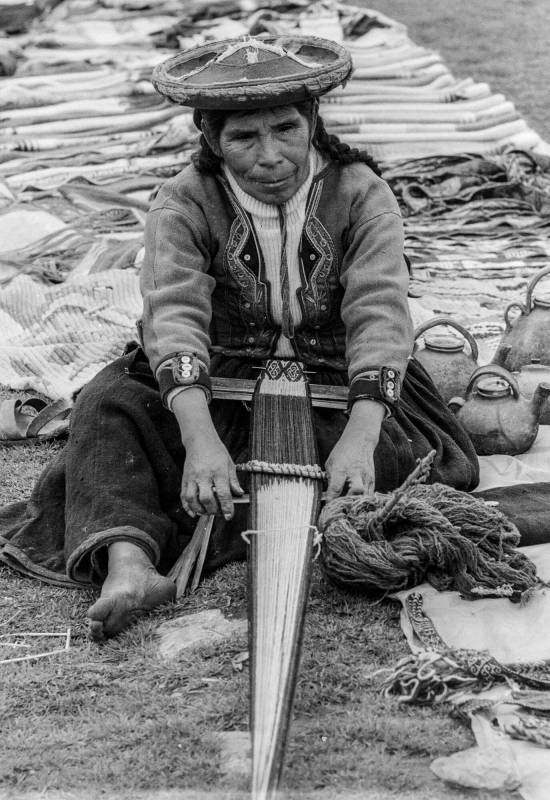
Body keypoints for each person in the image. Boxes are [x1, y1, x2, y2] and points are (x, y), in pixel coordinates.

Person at [0, 36, 479, 640]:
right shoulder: (184, 200)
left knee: (385, 457)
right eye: (244, 138)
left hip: (344, 377)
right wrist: (199, 440)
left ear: (312, 123)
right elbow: (172, 314)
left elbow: (379, 311)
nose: (270, 155)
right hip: (215, 374)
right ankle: (130, 565)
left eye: (285, 130)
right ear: (209, 137)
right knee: (109, 407)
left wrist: (361, 435)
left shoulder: (361, 193)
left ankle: (310, 507)